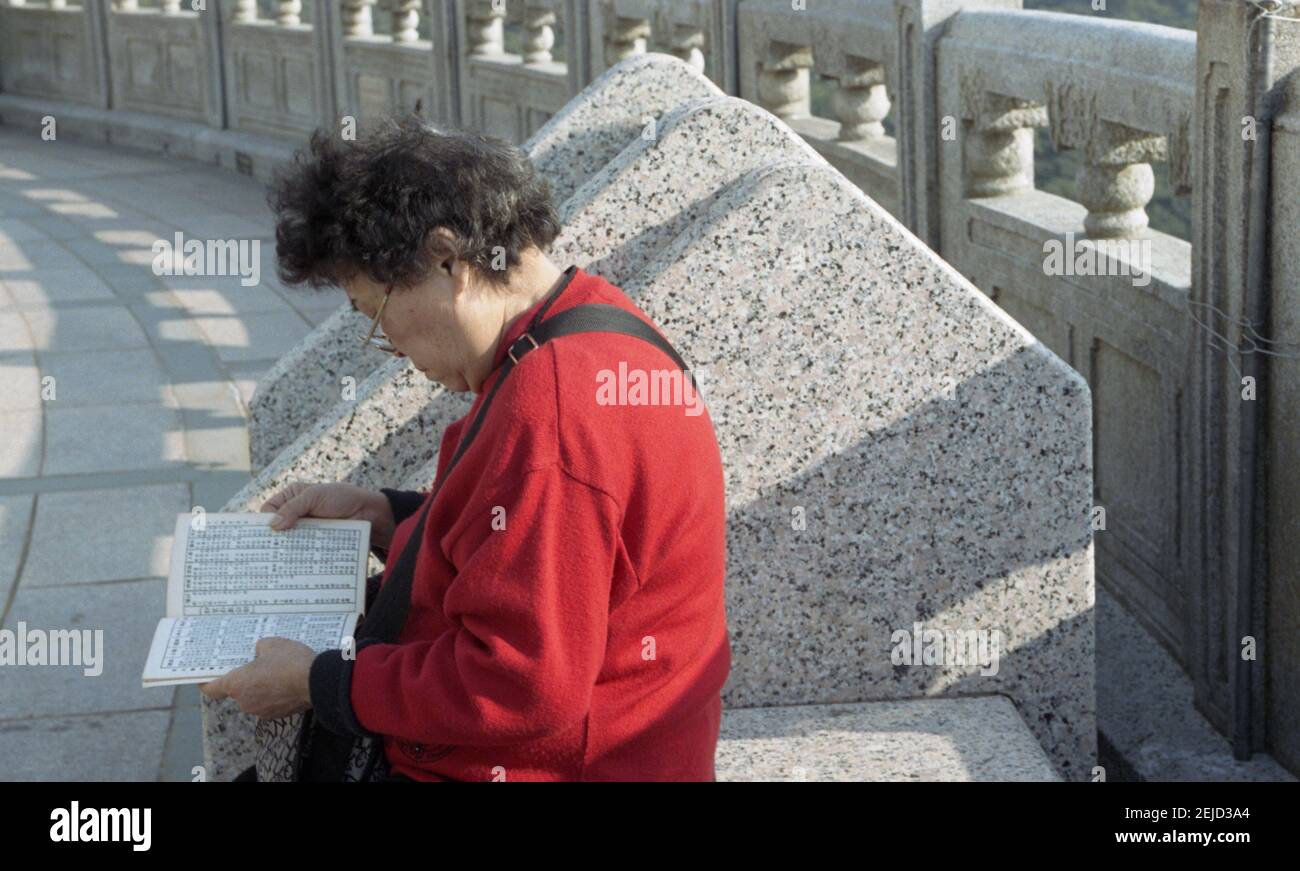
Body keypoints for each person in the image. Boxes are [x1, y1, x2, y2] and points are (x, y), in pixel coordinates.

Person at [199, 116, 731, 781]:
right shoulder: (584, 326)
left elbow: (520, 684)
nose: (387, 346)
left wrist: (317, 682)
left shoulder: (555, 408)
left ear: (448, 258)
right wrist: (388, 517)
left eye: (374, 311)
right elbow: (522, 542)